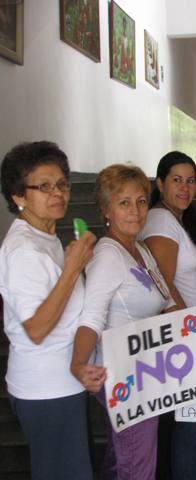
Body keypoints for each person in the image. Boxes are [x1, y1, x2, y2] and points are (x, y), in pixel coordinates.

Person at [71, 164, 176, 480]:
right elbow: (92, 316)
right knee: (137, 465)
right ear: (106, 210)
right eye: (124, 202)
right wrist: (78, 364)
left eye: (141, 201)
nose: (136, 210)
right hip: (123, 376)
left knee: (124, 458)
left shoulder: (141, 250)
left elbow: (167, 304)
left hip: (146, 372)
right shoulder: (108, 255)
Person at [0, 141, 95, 479]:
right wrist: (72, 268)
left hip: (64, 382)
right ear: (18, 196)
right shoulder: (24, 249)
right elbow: (36, 329)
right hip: (46, 389)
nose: (57, 193)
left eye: (61, 184)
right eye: (43, 186)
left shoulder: (47, 235)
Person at [140, 151, 196, 480]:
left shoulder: (172, 219)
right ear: (159, 183)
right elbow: (163, 283)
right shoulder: (161, 220)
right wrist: (195, 333)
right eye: (176, 180)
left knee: (186, 432)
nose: (185, 188)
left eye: (191, 181)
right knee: (192, 435)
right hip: (182, 339)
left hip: (182, 338)